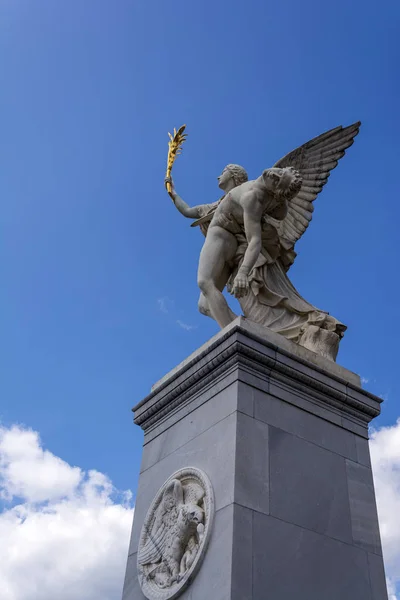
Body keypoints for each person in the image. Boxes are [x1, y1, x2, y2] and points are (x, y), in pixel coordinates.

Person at [166, 165, 302, 328]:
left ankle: (233, 333)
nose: (275, 174)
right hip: (229, 245)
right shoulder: (235, 199)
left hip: (222, 237)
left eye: (223, 172)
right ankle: (245, 329)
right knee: (204, 305)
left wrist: (243, 273)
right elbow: (188, 211)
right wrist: (173, 193)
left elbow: (255, 240)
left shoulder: (252, 197)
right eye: (280, 171)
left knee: (204, 282)